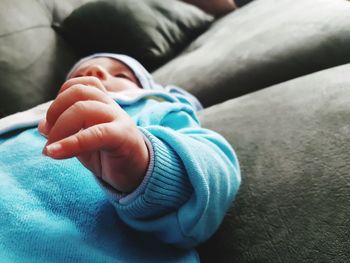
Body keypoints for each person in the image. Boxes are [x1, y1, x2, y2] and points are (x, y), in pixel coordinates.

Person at [0, 53, 240, 262]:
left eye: (122, 76)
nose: (94, 72)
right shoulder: (19, 123)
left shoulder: (153, 108)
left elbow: (214, 166)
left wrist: (142, 161)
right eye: (78, 77)